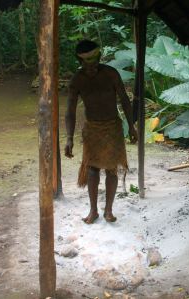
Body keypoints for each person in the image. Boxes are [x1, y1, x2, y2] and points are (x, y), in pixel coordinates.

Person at [64, 40, 137, 224]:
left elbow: (125, 101)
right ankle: (93, 210)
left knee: (112, 169)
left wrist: (132, 126)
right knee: (92, 170)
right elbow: (70, 111)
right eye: (85, 63)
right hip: (92, 129)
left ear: (99, 58)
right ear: (80, 62)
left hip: (112, 127)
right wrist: (69, 138)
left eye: (94, 63)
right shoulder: (77, 80)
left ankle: (109, 210)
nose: (90, 68)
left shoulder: (111, 74)